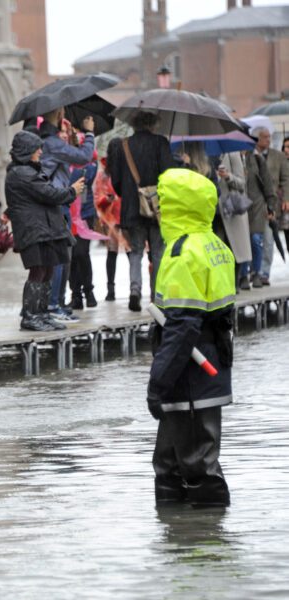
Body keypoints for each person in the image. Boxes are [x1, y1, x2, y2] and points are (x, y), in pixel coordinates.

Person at [147, 167, 235, 508]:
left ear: (179, 205)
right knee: (169, 463)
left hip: (190, 375)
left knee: (197, 464)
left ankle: (203, 547)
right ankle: (180, 543)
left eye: (163, 201)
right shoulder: (215, 244)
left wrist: (158, 383)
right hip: (212, 363)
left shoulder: (182, 252)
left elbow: (182, 327)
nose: (157, 207)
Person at [5, 130, 84, 332]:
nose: (40, 151)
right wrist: (72, 190)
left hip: (42, 229)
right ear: (26, 151)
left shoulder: (27, 171)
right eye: (36, 148)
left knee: (47, 269)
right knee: (38, 271)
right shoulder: (21, 173)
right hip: (33, 230)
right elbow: (49, 193)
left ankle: (42, 314)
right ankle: (31, 316)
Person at [108, 111, 177, 312]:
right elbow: (169, 174)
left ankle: (135, 291)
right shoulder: (161, 143)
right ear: (152, 125)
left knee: (136, 252)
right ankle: (156, 295)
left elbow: (117, 181)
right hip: (157, 209)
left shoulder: (124, 145)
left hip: (131, 209)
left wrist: (131, 196)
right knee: (157, 253)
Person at [38, 109, 95, 323]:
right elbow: (84, 157)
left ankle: (56, 303)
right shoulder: (51, 143)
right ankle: (53, 304)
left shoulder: (46, 141)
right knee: (60, 257)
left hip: (57, 203)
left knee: (62, 257)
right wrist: (89, 134)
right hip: (57, 204)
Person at [243, 129, 279, 289]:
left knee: (256, 240)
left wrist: (271, 204)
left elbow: (267, 184)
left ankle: (256, 272)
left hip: (257, 206)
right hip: (240, 208)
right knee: (243, 243)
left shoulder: (256, 159)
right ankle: (243, 275)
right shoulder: (231, 158)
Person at [93, 141, 130, 302]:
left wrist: (107, 200)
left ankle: (111, 290)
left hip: (113, 219)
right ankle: (135, 288)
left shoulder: (104, 173)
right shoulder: (128, 168)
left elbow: (98, 199)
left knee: (113, 254)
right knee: (131, 253)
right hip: (125, 216)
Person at [254, 128, 289, 286]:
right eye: (264, 137)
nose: (268, 140)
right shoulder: (251, 156)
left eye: (269, 137)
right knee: (255, 239)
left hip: (271, 203)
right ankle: (254, 271)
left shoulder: (278, 156)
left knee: (269, 239)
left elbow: (285, 179)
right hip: (254, 204)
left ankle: (264, 272)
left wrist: (286, 198)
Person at [215, 151, 252, 288]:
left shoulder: (232, 154)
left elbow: (242, 183)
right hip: (212, 211)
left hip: (230, 211)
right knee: (217, 251)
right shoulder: (202, 153)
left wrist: (227, 176)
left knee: (232, 249)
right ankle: (222, 285)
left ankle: (233, 284)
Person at [68, 156, 98, 310]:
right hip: (67, 214)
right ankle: (75, 295)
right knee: (71, 256)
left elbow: (87, 176)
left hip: (85, 214)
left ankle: (88, 291)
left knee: (82, 253)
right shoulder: (60, 156)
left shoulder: (89, 159)